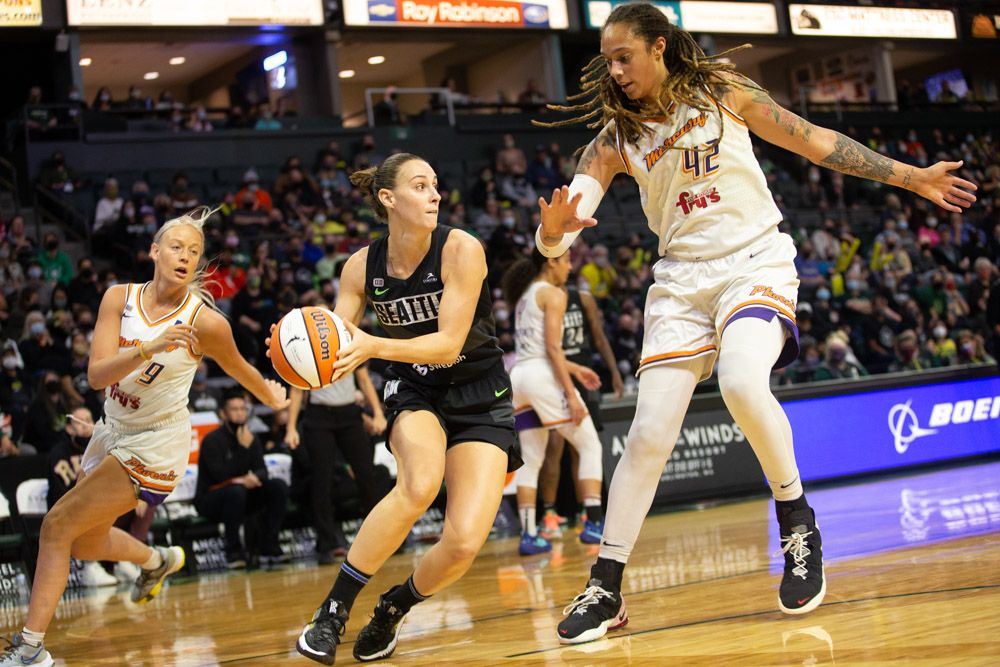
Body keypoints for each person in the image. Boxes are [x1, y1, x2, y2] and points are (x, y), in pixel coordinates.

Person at [533, 2, 977, 644]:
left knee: (743, 380)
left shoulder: (721, 91)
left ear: (659, 47)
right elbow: (570, 214)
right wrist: (552, 238)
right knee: (650, 432)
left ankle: (796, 521)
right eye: (608, 59)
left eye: (624, 55)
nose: (615, 69)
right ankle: (606, 584)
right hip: (681, 282)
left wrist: (911, 178)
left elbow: (813, 141)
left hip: (752, 261)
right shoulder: (614, 136)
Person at [0, 207, 289, 667]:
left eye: (194, 252)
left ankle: (31, 648)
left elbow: (240, 368)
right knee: (82, 541)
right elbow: (96, 376)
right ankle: (156, 560)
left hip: (157, 441)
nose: (185, 257)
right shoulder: (118, 298)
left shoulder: (206, 323)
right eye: (176, 247)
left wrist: (273, 396)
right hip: (112, 428)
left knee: (55, 527)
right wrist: (150, 347)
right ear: (154, 251)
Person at [286, 153, 520, 664]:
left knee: (461, 544)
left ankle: (394, 607)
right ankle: (332, 611)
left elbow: (448, 345)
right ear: (388, 198)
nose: (435, 194)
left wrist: (371, 345)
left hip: (480, 394)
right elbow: (334, 348)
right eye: (421, 186)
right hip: (416, 391)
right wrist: (294, 359)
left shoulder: (462, 249)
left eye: (436, 185)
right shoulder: (359, 267)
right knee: (417, 484)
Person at [501, 249, 604, 555]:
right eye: (567, 260)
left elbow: (536, 351)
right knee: (589, 445)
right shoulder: (554, 294)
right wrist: (571, 394)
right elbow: (552, 350)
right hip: (541, 377)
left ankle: (530, 534)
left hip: (519, 377)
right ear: (551, 262)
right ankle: (593, 524)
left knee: (531, 459)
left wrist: (577, 369)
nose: (570, 267)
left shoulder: (524, 297)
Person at [538, 280, 623, 539]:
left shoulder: (583, 299)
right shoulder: (542, 299)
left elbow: (599, 337)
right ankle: (550, 513)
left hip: (583, 374)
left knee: (582, 447)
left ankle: (588, 512)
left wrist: (615, 372)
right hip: (556, 374)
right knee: (555, 445)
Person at [284, 365, 386, 565]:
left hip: (350, 413)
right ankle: (327, 544)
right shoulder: (306, 338)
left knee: (367, 475)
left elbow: (364, 379)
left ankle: (379, 540)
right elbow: (296, 388)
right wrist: (290, 427)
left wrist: (378, 413)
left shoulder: (349, 337)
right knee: (322, 481)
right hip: (318, 415)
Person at [195, 388, 289, 568]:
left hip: (242, 495)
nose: (240, 413)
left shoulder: (250, 437)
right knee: (235, 492)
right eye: (234, 409)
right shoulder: (212, 440)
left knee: (278, 487)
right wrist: (243, 452)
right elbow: (221, 476)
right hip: (211, 499)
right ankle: (234, 552)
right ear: (223, 413)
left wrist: (253, 477)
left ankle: (268, 547)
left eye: (242, 409)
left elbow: (262, 470)